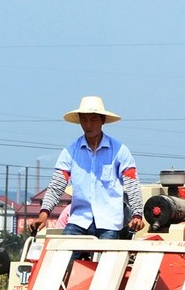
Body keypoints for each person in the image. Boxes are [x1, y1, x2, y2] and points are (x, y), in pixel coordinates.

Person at [30, 96, 145, 238]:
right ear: (79, 121)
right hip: (79, 220)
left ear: (102, 120)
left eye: (93, 119)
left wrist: (137, 215)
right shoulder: (70, 152)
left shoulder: (120, 150)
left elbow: (132, 184)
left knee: (108, 259)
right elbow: (56, 186)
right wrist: (43, 215)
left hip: (109, 222)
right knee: (62, 254)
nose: (88, 125)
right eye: (84, 120)